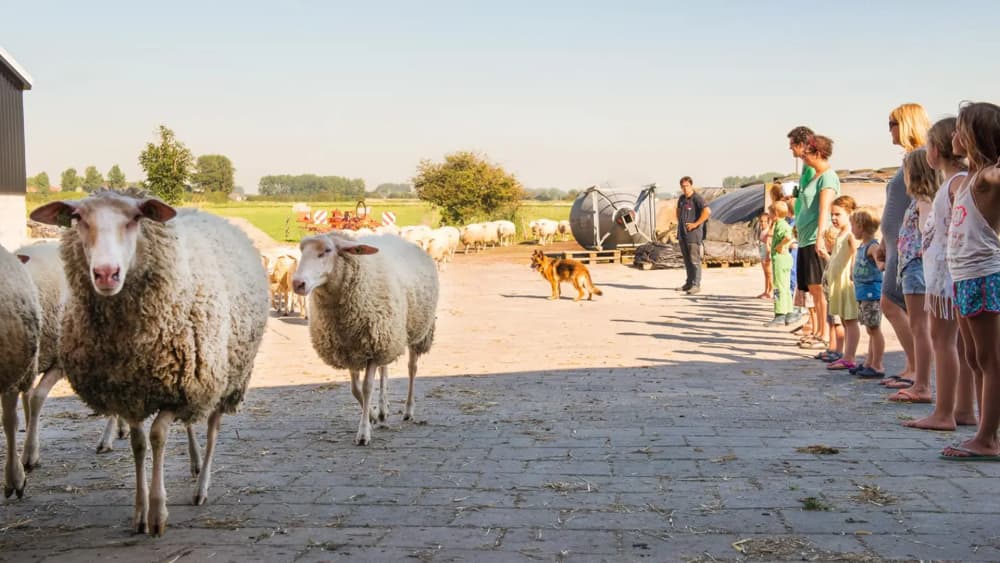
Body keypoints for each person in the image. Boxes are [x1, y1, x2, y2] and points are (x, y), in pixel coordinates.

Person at [906, 118, 976, 430]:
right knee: (958, 344)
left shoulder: (959, 182)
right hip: (945, 274)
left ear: (935, 151)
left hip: (947, 277)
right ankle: (962, 409)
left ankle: (944, 412)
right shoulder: (954, 182)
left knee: (943, 340)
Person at [941, 102, 1000, 460]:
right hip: (963, 276)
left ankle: (988, 439)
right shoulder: (966, 180)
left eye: (960, 128)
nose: (953, 135)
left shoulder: (990, 177)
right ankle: (983, 428)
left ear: (976, 135)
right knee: (974, 357)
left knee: (990, 359)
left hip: (984, 275)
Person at [879, 103, 931, 385]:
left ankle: (917, 371)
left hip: (910, 246)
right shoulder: (910, 158)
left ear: (907, 123)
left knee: (892, 302)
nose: (889, 129)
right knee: (900, 305)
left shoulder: (921, 157)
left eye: (892, 123)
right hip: (896, 244)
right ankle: (913, 367)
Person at [886, 148, 936, 403]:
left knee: (920, 328)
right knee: (920, 327)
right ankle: (921, 381)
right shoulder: (920, 200)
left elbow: (927, 230)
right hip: (913, 267)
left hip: (917, 268)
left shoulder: (925, 200)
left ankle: (922, 384)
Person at [796, 135, 840, 350]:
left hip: (815, 238)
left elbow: (825, 208)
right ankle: (817, 330)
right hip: (805, 239)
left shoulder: (828, 178)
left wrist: (821, 238)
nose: (803, 155)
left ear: (819, 153)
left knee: (820, 290)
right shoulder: (814, 176)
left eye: (807, 151)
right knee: (813, 289)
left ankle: (824, 333)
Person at [824, 196, 860, 370]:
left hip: (847, 283)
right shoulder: (839, 233)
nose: (833, 218)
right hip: (838, 283)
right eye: (832, 214)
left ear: (850, 213)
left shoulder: (850, 233)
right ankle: (846, 354)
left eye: (838, 214)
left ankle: (850, 356)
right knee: (845, 320)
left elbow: (855, 252)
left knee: (851, 320)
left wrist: (853, 270)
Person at [850, 207, 886, 378]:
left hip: (872, 293)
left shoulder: (872, 246)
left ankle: (877, 364)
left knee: (874, 328)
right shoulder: (862, 246)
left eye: (853, 226)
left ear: (861, 227)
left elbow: (880, 262)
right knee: (870, 330)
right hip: (863, 293)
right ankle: (868, 362)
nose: (852, 229)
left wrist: (881, 264)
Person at [676, 176, 711, 295]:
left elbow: (707, 212)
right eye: (683, 186)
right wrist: (680, 224)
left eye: (687, 186)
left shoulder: (697, 198)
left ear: (691, 185)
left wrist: (696, 224)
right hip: (682, 234)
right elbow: (678, 211)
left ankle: (696, 284)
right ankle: (689, 283)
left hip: (693, 235)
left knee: (694, 260)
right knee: (687, 260)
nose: (685, 188)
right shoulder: (681, 199)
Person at [765, 201, 794, 326]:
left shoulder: (781, 225)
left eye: (770, 213)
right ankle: (788, 311)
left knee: (778, 286)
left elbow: (788, 237)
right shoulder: (783, 223)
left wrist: (779, 246)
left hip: (780, 259)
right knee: (786, 286)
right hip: (786, 258)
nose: (769, 216)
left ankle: (779, 314)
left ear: (775, 214)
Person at [757, 210, 774, 300]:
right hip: (762, 253)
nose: (762, 223)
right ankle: (766, 290)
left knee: (769, 273)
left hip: (767, 254)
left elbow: (769, 244)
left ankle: (771, 291)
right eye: (761, 221)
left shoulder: (769, 232)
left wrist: (768, 255)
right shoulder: (762, 231)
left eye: (765, 221)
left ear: (769, 221)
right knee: (765, 274)